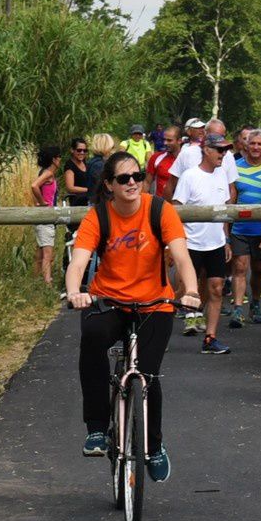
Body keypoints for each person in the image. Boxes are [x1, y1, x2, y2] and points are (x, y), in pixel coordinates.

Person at [66, 152, 201, 481]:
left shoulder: (160, 210)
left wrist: (192, 291)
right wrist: (75, 292)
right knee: (93, 339)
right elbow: (79, 261)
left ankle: (154, 446)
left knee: (148, 376)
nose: (132, 183)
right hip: (110, 300)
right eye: (123, 178)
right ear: (109, 185)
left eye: (137, 176)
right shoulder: (99, 216)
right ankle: (97, 428)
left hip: (154, 303)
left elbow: (181, 257)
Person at [173, 132, 234, 353]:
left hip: (215, 243)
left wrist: (226, 239)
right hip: (191, 243)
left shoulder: (222, 176)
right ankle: (154, 330)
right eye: (220, 150)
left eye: (226, 150)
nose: (224, 154)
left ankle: (210, 338)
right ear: (206, 150)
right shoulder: (190, 176)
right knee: (182, 291)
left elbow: (224, 210)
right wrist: (176, 242)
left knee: (216, 289)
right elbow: (175, 209)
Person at [230, 129, 261, 326]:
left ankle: (255, 303)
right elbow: (230, 200)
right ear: (245, 145)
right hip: (240, 228)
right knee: (239, 267)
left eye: (259, 144)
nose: (256, 147)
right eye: (252, 143)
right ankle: (237, 309)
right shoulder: (234, 167)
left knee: (258, 269)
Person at [167, 118, 239, 201]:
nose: (219, 139)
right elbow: (170, 186)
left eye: (222, 136)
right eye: (214, 135)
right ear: (205, 133)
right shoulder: (187, 154)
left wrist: (228, 212)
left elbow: (231, 189)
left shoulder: (227, 158)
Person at [30, 145, 62, 286]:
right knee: (48, 253)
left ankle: (36, 279)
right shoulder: (48, 174)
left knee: (40, 251)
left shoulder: (45, 172)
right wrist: (42, 202)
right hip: (46, 216)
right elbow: (34, 186)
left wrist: (38, 202)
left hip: (42, 216)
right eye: (59, 157)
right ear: (54, 159)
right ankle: (47, 282)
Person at [145, 125, 182, 199]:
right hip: (161, 205)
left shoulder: (188, 159)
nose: (165, 143)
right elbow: (147, 183)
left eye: (169, 140)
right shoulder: (156, 157)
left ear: (179, 141)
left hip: (183, 206)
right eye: (164, 139)